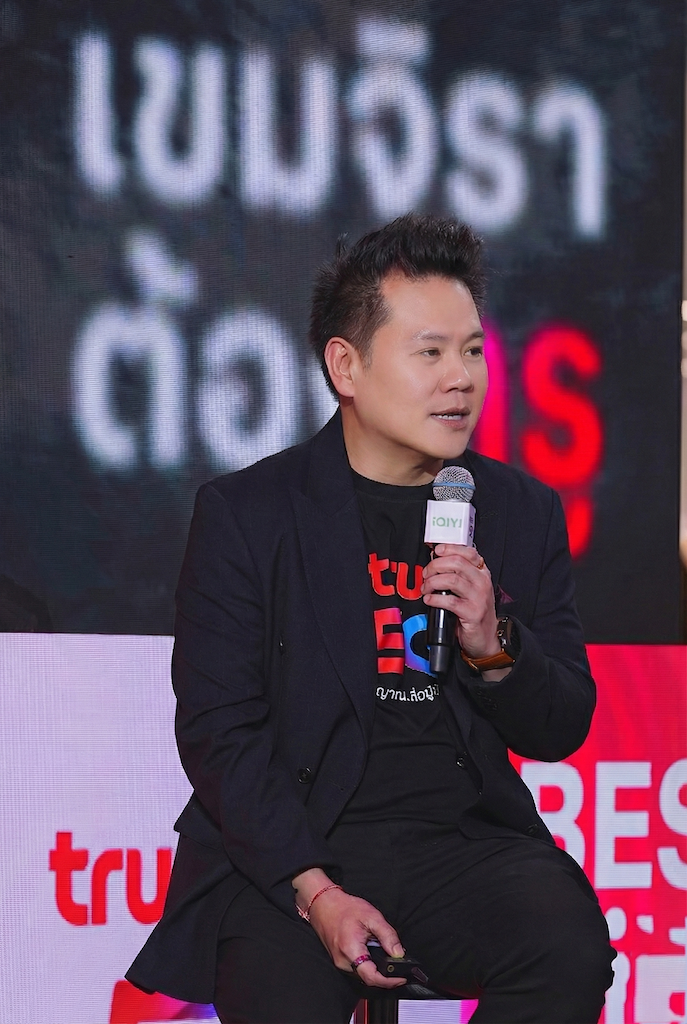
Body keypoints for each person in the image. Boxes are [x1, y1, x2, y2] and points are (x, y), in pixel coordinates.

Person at [127, 213, 616, 1022]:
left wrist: (494, 646)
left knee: (566, 947)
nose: (460, 378)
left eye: (471, 351)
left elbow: (560, 725)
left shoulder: (518, 511)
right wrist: (316, 893)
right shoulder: (250, 514)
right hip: (291, 855)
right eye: (429, 353)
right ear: (345, 365)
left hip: (458, 845)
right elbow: (220, 733)